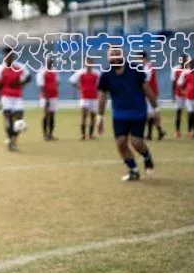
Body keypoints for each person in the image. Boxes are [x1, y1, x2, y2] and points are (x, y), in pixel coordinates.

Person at [97, 46, 158, 181]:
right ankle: (133, 170)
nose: (114, 57)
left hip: (138, 112)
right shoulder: (105, 75)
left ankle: (147, 157)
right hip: (119, 115)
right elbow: (102, 96)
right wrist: (99, 117)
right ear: (108, 58)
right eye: (111, 55)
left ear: (122, 55)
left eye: (116, 54)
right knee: (121, 143)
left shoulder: (136, 69)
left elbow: (147, 89)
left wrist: (156, 109)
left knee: (136, 142)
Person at [0, 47, 31, 151]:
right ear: (3, 57)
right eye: (6, 56)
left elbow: (28, 77)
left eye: (10, 56)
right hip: (6, 97)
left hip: (17, 97)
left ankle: (13, 138)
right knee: (8, 119)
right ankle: (11, 141)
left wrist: (22, 83)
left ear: (13, 57)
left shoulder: (20, 67)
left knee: (19, 119)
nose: (8, 58)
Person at [69, 57, 100, 140]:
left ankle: (90, 135)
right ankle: (83, 135)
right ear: (85, 63)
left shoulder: (97, 73)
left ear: (93, 63)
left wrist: (98, 89)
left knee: (93, 117)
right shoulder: (80, 72)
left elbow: (101, 83)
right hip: (84, 98)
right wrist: (79, 87)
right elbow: (72, 80)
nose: (89, 64)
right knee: (84, 116)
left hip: (94, 97)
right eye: (87, 62)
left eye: (90, 62)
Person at [141, 52, 166, 141]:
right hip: (152, 93)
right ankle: (159, 132)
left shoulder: (148, 67)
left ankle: (151, 134)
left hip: (150, 93)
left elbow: (145, 81)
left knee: (150, 114)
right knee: (152, 114)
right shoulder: (148, 67)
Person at [36, 57, 58, 141]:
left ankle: (51, 134)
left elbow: (57, 82)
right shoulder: (42, 72)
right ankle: (45, 134)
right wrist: (46, 98)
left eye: (52, 61)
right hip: (45, 97)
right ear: (46, 62)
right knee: (46, 115)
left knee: (52, 115)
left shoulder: (55, 71)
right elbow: (41, 86)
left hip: (54, 96)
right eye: (49, 61)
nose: (51, 63)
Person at [171, 55, 188, 137]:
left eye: (184, 60)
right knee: (178, 112)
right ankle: (177, 131)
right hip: (179, 94)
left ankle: (190, 131)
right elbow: (173, 83)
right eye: (181, 60)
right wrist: (173, 95)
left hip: (188, 94)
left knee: (190, 113)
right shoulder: (175, 69)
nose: (183, 61)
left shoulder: (189, 69)